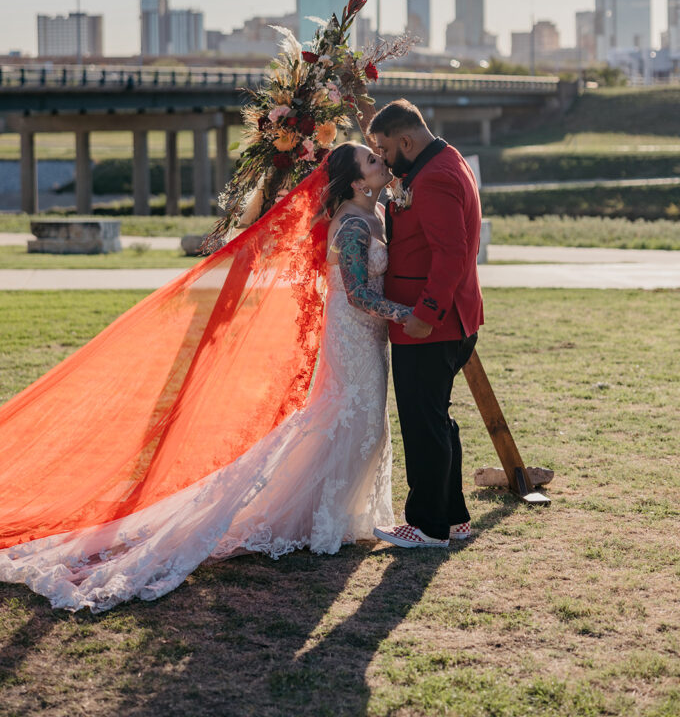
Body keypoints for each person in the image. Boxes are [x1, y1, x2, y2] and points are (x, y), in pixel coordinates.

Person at [0, 143, 411, 613]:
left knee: (360, 419)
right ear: (358, 181)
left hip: (367, 336)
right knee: (351, 416)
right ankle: (327, 520)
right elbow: (358, 292)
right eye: (373, 162)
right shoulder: (355, 224)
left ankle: (340, 516)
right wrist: (408, 314)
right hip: (354, 333)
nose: (383, 163)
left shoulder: (375, 211)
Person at [367, 99, 484, 549]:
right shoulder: (441, 160)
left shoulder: (434, 178)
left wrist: (425, 315)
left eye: (384, 149)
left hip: (431, 322)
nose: (382, 158)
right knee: (437, 419)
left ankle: (427, 526)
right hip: (450, 320)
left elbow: (451, 254)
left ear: (407, 141)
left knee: (422, 422)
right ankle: (452, 518)